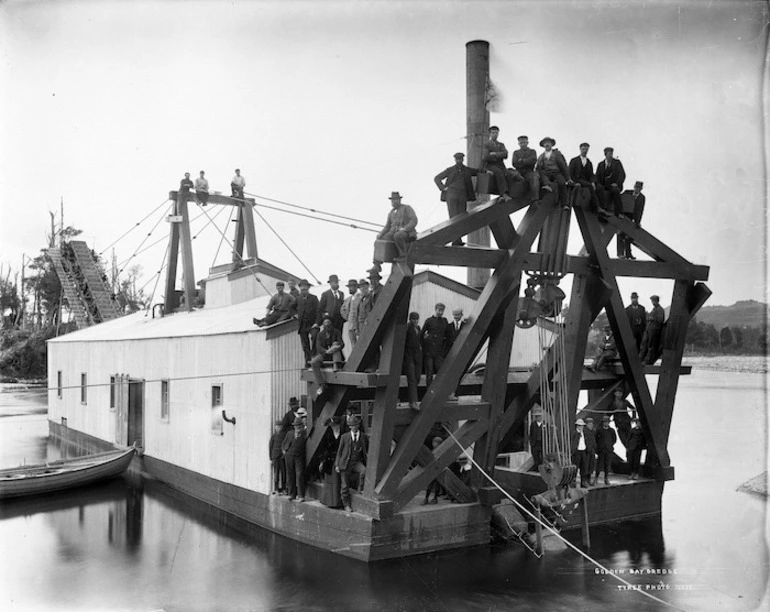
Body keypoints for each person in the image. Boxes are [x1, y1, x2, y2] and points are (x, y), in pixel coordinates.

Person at [434, 152, 480, 245]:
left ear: (463, 159)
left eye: (461, 159)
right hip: (452, 196)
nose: (459, 161)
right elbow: (437, 178)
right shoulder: (450, 170)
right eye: (457, 159)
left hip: (462, 196)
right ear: (455, 160)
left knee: (461, 217)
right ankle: (455, 240)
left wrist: (486, 171)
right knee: (453, 217)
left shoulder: (466, 170)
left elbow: (478, 171)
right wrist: (443, 188)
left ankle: (458, 240)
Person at [335, 414, 368, 512]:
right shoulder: (345, 437)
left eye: (356, 425)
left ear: (358, 425)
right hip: (345, 463)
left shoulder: (363, 436)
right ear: (349, 426)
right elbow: (339, 452)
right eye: (352, 425)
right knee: (344, 485)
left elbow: (367, 450)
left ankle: (360, 490)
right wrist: (337, 464)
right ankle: (346, 505)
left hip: (357, 462)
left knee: (364, 471)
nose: (354, 427)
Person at [375, 192, 418, 263]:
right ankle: (376, 265)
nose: (394, 201)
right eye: (393, 200)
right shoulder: (391, 213)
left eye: (396, 199)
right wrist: (381, 233)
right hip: (392, 233)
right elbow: (387, 227)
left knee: (398, 235)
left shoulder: (406, 208)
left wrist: (405, 228)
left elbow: (414, 220)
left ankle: (403, 256)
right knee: (380, 240)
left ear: (399, 200)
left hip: (406, 233)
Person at [311, 317, 345, 395]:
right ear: (323, 325)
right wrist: (326, 351)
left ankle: (336, 367)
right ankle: (321, 384)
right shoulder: (320, 335)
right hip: (325, 354)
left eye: (329, 323)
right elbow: (319, 347)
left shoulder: (336, 332)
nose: (327, 325)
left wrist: (335, 347)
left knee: (335, 344)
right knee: (314, 362)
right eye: (325, 324)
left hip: (335, 353)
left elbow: (342, 344)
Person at [536, 137, 571, 207]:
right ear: (543, 145)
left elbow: (563, 165)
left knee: (562, 183)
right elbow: (538, 167)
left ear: (552, 144)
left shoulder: (557, 154)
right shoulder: (541, 156)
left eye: (548, 143)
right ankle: (547, 186)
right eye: (545, 143)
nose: (547, 144)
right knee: (542, 175)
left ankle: (565, 204)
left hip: (556, 172)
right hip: (546, 172)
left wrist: (568, 178)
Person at [421, 303, 450, 388]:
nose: (440, 312)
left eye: (442, 310)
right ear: (435, 309)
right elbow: (421, 334)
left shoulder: (444, 321)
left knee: (441, 371)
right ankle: (429, 392)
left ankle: (439, 391)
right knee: (429, 373)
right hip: (429, 352)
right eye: (439, 310)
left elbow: (448, 334)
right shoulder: (429, 321)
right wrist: (424, 346)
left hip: (439, 352)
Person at [318, 416, 344, 507]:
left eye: (336, 426)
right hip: (329, 461)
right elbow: (323, 448)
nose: (334, 427)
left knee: (337, 481)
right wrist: (322, 461)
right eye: (332, 426)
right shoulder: (328, 434)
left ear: (339, 425)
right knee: (329, 482)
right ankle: (329, 502)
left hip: (339, 460)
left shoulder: (343, 434)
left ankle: (337, 502)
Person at [281, 416, 307, 501]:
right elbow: (284, 443)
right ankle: (292, 494)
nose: (297, 427)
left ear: (302, 426)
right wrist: (284, 450)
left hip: (299, 457)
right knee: (290, 475)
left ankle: (301, 495)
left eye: (299, 425)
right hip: (289, 456)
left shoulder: (305, 434)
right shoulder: (290, 433)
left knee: (299, 474)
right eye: (296, 426)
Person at [618, 181, 646, 258]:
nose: (637, 189)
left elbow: (640, 210)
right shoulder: (627, 192)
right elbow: (620, 200)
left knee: (629, 235)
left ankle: (628, 254)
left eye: (639, 188)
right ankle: (620, 253)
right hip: (624, 215)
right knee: (620, 233)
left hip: (632, 218)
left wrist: (638, 222)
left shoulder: (642, 198)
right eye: (636, 187)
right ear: (634, 187)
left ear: (641, 189)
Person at [595, 147, 626, 215]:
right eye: (609, 154)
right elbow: (597, 176)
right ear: (605, 154)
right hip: (604, 185)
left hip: (614, 185)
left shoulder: (617, 163)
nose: (611, 155)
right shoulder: (601, 164)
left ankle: (619, 212)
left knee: (615, 191)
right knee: (599, 189)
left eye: (612, 153)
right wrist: (598, 184)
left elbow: (622, 174)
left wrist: (617, 183)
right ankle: (602, 208)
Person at [295, 279, 319, 366]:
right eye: (302, 287)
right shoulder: (298, 299)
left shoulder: (314, 298)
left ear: (308, 288)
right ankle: (307, 361)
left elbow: (318, 311)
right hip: (302, 325)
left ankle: (314, 356)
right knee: (305, 345)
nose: (303, 288)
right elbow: (291, 308)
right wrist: (295, 314)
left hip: (312, 324)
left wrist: (317, 323)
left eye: (305, 287)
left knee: (315, 336)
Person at [444, 308, 466, 401]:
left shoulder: (466, 326)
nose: (456, 318)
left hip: (460, 354)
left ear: (461, 315)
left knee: (457, 374)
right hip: (450, 354)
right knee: (449, 373)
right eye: (455, 317)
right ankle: (448, 393)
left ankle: (454, 392)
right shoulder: (448, 326)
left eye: (458, 316)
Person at [568, 142, 598, 209]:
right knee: (589, 186)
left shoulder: (589, 162)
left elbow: (591, 174)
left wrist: (593, 182)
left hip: (585, 180)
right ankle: (596, 206)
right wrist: (574, 182)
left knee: (595, 186)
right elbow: (570, 172)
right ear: (580, 149)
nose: (585, 151)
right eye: (583, 149)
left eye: (586, 149)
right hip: (577, 180)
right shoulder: (574, 160)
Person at [482, 126, 509, 198]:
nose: (495, 134)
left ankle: (508, 193)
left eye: (496, 133)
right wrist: (499, 155)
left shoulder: (501, 144)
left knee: (509, 173)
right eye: (493, 133)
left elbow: (505, 154)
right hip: (490, 165)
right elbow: (485, 157)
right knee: (499, 172)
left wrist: (495, 154)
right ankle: (503, 194)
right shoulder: (486, 144)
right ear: (490, 134)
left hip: (500, 165)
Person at [511, 135, 539, 202]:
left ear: (527, 143)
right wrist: (526, 161)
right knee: (511, 174)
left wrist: (522, 161)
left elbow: (533, 160)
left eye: (524, 142)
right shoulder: (516, 152)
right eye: (521, 143)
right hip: (519, 172)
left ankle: (535, 198)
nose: (522, 144)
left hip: (529, 172)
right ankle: (509, 194)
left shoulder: (532, 151)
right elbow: (514, 163)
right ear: (519, 144)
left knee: (534, 178)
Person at [404, 312, 423, 410]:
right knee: (412, 379)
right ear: (410, 319)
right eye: (413, 319)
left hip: (417, 357)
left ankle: (414, 400)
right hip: (409, 356)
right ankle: (413, 401)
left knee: (417, 378)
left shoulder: (418, 328)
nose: (415, 321)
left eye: (417, 319)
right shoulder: (407, 328)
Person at [639, 294, 665, 365]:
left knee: (651, 346)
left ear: (657, 301)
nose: (653, 302)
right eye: (652, 301)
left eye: (654, 301)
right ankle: (640, 358)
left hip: (655, 330)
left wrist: (652, 319)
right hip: (649, 329)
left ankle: (648, 360)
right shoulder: (653, 309)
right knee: (644, 344)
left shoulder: (660, 310)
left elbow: (660, 320)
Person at [595, 415, 617, 485]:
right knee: (599, 465)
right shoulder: (599, 430)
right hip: (601, 450)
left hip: (608, 450)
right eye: (605, 422)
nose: (606, 423)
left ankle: (606, 478)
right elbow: (596, 439)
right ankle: (596, 478)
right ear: (603, 423)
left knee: (607, 465)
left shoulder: (612, 430)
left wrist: (609, 445)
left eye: (607, 422)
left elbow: (614, 439)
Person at [422, 436, 445, 504]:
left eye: (435, 442)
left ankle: (435, 498)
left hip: (438, 469)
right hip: (432, 469)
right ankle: (426, 498)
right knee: (430, 484)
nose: (433, 444)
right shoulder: (433, 450)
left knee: (436, 485)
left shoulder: (441, 450)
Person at [341, 279, 361, 347]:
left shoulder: (360, 297)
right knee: (353, 344)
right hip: (350, 325)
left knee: (360, 343)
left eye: (351, 287)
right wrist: (348, 318)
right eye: (349, 287)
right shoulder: (347, 299)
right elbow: (342, 310)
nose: (350, 289)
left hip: (358, 325)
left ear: (356, 287)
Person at [269, 419, 286, 494]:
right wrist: (271, 457)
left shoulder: (284, 435)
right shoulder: (273, 436)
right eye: (277, 426)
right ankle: (276, 488)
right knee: (276, 472)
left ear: (282, 427)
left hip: (282, 456)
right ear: (275, 427)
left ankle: (283, 488)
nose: (278, 428)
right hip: (275, 456)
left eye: (280, 426)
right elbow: (270, 446)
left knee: (283, 472)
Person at [572, 418, 590, 487]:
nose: (582, 427)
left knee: (584, 467)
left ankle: (583, 481)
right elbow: (573, 443)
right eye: (581, 426)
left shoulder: (584, 433)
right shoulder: (575, 433)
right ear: (578, 426)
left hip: (583, 451)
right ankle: (574, 480)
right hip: (577, 452)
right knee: (576, 466)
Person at [529, 406, 545, 471]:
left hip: (542, 444)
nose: (538, 417)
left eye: (539, 416)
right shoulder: (533, 424)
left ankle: (541, 470)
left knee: (542, 458)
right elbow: (531, 434)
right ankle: (536, 470)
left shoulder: (545, 424)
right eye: (537, 416)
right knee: (536, 458)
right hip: (535, 444)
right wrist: (531, 443)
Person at [584, 416, 597, 485]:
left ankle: (589, 480)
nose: (591, 425)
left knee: (591, 465)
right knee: (586, 465)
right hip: (586, 451)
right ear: (587, 424)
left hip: (592, 450)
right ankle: (585, 480)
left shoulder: (593, 431)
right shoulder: (584, 431)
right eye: (590, 424)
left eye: (592, 424)